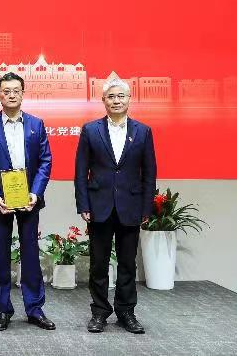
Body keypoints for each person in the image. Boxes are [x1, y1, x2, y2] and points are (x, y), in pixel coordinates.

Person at [74, 78, 157, 334]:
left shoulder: (143, 131)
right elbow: (81, 172)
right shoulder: (91, 130)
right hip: (99, 207)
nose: (116, 101)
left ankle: (126, 312)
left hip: (131, 207)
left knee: (127, 264)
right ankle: (99, 312)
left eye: (121, 96)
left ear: (129, 99)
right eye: (111, 97)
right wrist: (83, 204)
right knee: (98, 264)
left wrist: (146, 208)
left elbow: (149, 173)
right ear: (103, 101)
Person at [0, 72, 55, 331]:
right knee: (0, 256)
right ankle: (3, 309)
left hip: (29, 200)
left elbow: (45, 161)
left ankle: (35, 309)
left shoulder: (36, 124)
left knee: (30, 254)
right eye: (6, 91)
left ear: (22, 93)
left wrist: (36, 193)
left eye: (16, 91)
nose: (11, 95)